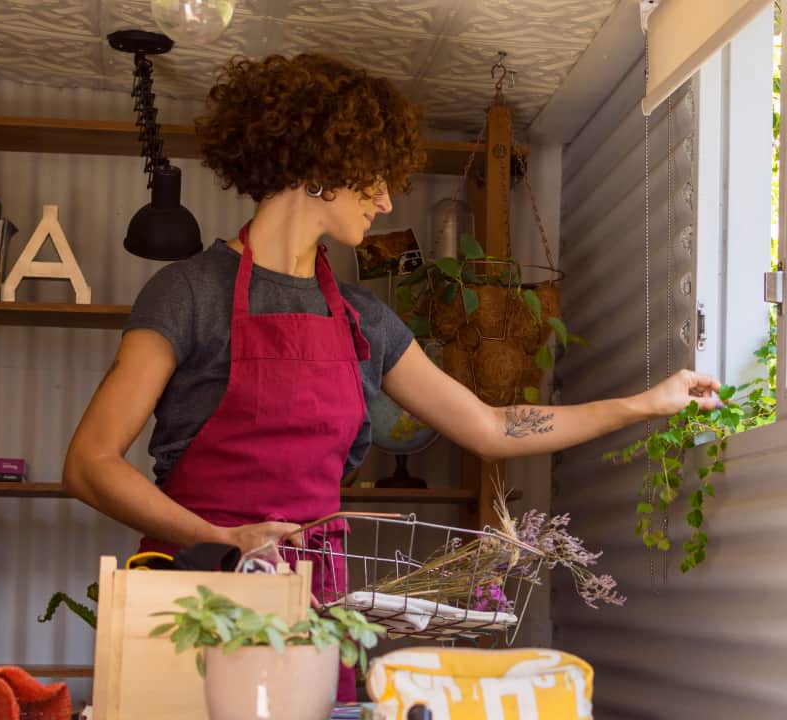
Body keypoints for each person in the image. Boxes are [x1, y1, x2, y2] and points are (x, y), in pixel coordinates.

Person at [62, 53, 721, 701]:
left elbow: (491, 428)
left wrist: (643, 403)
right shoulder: (187, 294)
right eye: (372, 178)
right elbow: (90, 463)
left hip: (313, 605)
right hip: (193, 592)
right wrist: (225, 540)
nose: (384, 199)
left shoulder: (364, 320)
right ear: (321, 169)